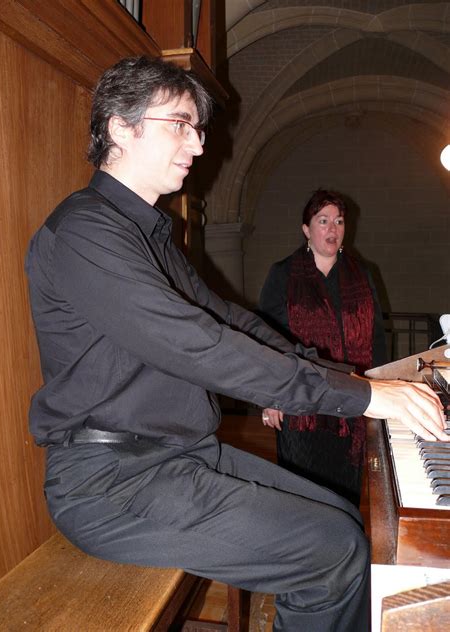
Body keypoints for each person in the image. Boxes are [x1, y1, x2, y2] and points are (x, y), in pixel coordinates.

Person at [25, 56, 447, 632]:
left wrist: (356, 379)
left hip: (179, 456)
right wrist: (362, 398)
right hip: (110, 481)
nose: (197, 145)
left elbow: (230, 320)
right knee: (334, 553)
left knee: (343, 517)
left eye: (199, 129)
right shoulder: (84, 231)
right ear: (121, 127)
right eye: (181, 124)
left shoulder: (151, 236)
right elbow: (200, 345)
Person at [259, 190, 386, 506]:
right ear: (306, 229)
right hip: (301, 401)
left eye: (339, 221)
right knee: (304, 492)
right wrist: (269, 397)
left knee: (347, 493)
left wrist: (381, 391)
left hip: (352, 401)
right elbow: (266, 339)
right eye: (323, 220)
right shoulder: (284, 274)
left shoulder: (362, 274)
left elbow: (377, 340)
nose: (333, 229)